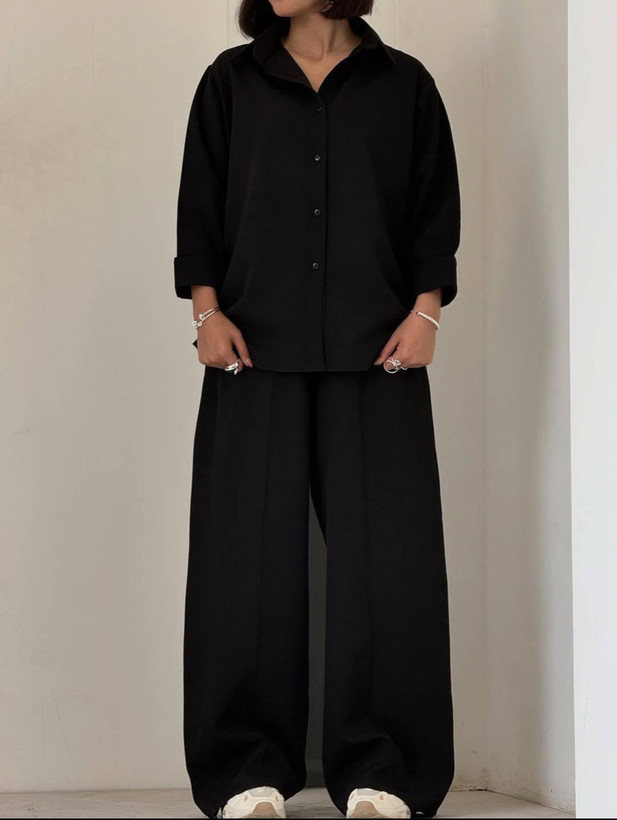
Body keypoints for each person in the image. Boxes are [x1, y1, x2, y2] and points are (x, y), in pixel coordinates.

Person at [174, 0, 461, 817]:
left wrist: (426, 313)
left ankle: (384, 771)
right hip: (250, 350)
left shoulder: (405, 85)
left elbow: (431, 208)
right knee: (243, 564)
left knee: (389, 565)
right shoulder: (229, 83)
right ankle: (246, 772)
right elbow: (201, 206)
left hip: (379, 352)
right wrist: (205, 312)